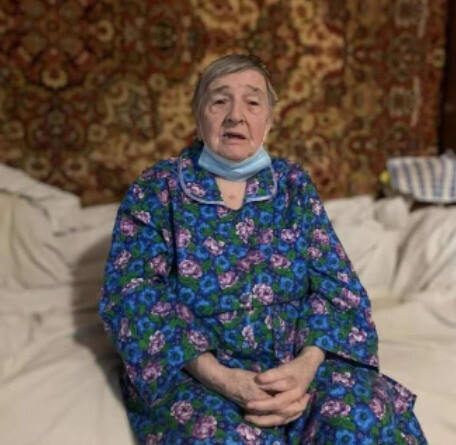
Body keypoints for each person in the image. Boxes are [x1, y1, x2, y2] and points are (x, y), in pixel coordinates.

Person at [100, 54, 427, 444]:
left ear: (269, 121)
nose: (236, 116)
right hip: (197, 374)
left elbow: (337, 286)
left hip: (297, 364)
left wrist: (305, 367)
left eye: (252, 102)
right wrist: (222, 378)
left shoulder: (292, 184)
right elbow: (131, 293)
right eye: (219, 101)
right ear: (198, 118)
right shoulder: (158, 188)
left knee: (362, 419)